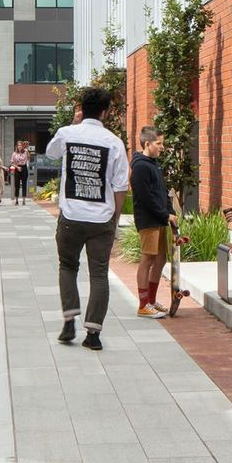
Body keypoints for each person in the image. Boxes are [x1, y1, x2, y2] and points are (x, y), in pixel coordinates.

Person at [48, 85, 131, 350]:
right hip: (101, 218)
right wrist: (115, 218)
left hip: (71, 216)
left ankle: (69, 320)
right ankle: (93, 334)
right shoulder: (114, 142)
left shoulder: (67, 134)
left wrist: (73, 125)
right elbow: (120, 186)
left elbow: (51, 153)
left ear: (81, 109)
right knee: (99, 274)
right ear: (105, 112)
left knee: (67, 266)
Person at [129, 126, 173, 318]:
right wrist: (164, 215)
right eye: (158, 143)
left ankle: (152, 301)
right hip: (148, 220)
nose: (162, 147)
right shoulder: (140, 167)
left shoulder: (154, 164)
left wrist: (170, 212)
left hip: (160, 219)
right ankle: (143, 304)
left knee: (161, 258)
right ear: (147, 144)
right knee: (148, 259)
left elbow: (163, 192)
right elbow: (146, 197)